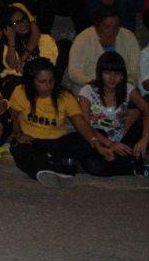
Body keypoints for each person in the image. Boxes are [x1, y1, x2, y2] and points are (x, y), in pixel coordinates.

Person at [9, 58, 113, 187]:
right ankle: (49, 170)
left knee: (91, 137)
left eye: (51, 81)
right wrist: (19, 134)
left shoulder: (64, 96)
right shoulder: (21, 91)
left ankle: (53, 164)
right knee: (21, 151)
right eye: (42, 82)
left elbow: (80, 123)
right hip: (31, 142)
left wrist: (96, 143)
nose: (48, 85)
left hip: (56, 143)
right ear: (32, 81)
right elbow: (13, 117)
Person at [78, 52, 149, 177]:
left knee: (141, 124)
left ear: (122, 75)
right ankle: (129, 165)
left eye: (116, 73)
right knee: (93, 165)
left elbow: (146, 109)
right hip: (100, 142)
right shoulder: (87, 91)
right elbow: (84, 124)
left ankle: (126, 163)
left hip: (124, 143)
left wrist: (145, 138)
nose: (112, 78)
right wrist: (109, 144)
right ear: (100, 74)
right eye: (107, 73)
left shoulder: (127, 88)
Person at [67, 5, 140, 96]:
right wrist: (95, 84)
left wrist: (127, 84)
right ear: (96, 26)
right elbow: (74, 72)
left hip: (121, 89)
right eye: (107, 27)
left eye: (116, 27)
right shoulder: (83, 39)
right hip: (90, 90)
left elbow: (135, 69)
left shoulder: (128, 37)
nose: (112, 31)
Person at [0, 6, 60, 97]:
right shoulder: (9, 45)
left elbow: (48, 66)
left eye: (24, 19)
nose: (23, 24)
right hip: (18, 81)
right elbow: (12, 65)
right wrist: (11, 39)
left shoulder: (44, 39)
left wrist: (26, 71)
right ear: (9, 27)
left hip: (41, 80)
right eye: (16, 23)